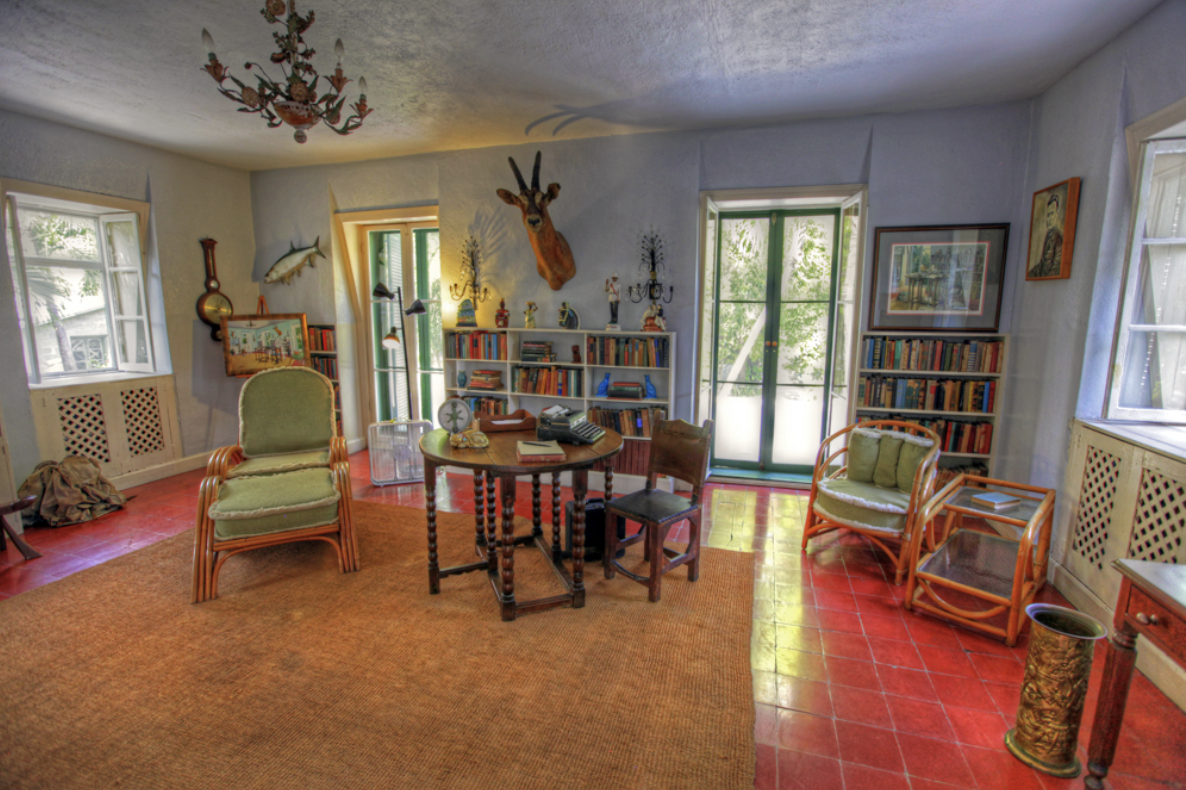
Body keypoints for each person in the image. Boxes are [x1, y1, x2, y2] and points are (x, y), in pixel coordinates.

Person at [1032, 193, 1063, 278]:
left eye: (1052, 213)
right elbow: (1042, 264)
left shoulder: (1058, 237)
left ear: (1057, 214)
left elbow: (1056, 268)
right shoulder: (1049, 236)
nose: (1049, 218)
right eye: (1048, 214)